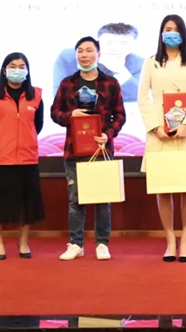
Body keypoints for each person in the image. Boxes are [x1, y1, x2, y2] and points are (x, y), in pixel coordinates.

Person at [137, 15, 186, 263]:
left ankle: (185, 240)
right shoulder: (151, 62)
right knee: (163, 186)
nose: (171, 33)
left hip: (185, 131)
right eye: (167, 29)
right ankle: (169, 239)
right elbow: (142, 97)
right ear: (161, 33)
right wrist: (155, 127)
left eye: (176, 29)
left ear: (183, 34)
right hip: (160, 132)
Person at [51, 36, 126, 261]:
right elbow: (55, 112)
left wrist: (108, 134)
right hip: (74, 150)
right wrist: (70, 115)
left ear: (98, 54)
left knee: (103, 199)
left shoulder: (111, 83)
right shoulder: (67, 83)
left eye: (89, 50)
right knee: (75, 200)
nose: (84, 55)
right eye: (80, 51)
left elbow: (120, 115)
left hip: (101, 149)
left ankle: (102, 243)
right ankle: (76, 243)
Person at [0, 52, 45, 260]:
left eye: (22, 66)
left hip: (27, 157)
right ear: (4, 70)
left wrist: (24, 139)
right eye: (13, 66)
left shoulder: (36, 95)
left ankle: (23, 242)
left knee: (26, 203)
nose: (17, 70)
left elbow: (38, 124)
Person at [53, 23, 144, 102]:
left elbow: (141, 96)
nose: (116, 48)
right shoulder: (70, 57)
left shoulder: (138, 63)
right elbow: (62, 95)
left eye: (124, 43)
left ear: (133, 45)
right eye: (110, 42)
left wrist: (121, 72)